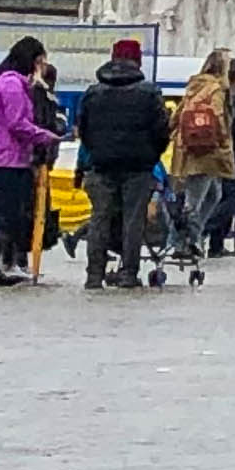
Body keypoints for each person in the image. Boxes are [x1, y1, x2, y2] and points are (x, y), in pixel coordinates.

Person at [73, 38, 166, 288]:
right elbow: (161, 131)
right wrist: (151, 155)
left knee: (100, 218)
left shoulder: (93, 92)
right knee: (133, 220)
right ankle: (128, 273)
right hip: (139, 167)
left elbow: (84, 129)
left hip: (102, 165)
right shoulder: (149, 93)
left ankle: (94, 274)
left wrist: (98, 151)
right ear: (138, 60)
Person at [0, 35, 66, 287]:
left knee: (0, 214)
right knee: (7, 216)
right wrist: (47, 136)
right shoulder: (12, 85)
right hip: (9, 160)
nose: (43, 67)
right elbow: (17, 123)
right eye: (42, 61)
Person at [166, 48, 235, 262]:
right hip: (207, 150)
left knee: (211, 195)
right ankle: (185, 242)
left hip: (188, 148)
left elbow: (179, 112)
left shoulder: (195, 86)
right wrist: (224, 142)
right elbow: (217, 117)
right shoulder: (216, 88)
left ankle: (189, 239)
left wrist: (170, 132)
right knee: (195, 200)